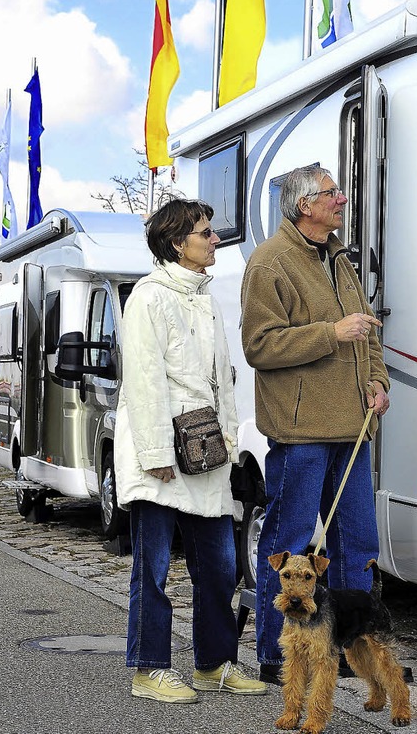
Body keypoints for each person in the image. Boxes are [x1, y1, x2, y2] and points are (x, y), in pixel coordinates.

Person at [240, 165, 391, 684]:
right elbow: (259, 346)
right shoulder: (269, 263)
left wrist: (377, 381)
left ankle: (351, 656)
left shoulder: (338, 260)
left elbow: (366, 333)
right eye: (332, 193)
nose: (343, 199)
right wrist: (330, 332)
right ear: (305, 205)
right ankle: (275, 656)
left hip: (352, 430)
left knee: (358, 545)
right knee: (290, 545)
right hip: (301, 434)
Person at [115, 198, 266, 703]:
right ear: (178, 243)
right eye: (206, 233)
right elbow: (143, 380)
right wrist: (155, 452)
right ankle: (149, 669)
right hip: (160, 457)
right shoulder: (149, 297)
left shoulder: (205, 298)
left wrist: (228, 441)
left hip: (204, 456)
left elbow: (222, 382)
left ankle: (215, 664)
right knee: (153, 570)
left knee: (219, 567)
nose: (215, 239)